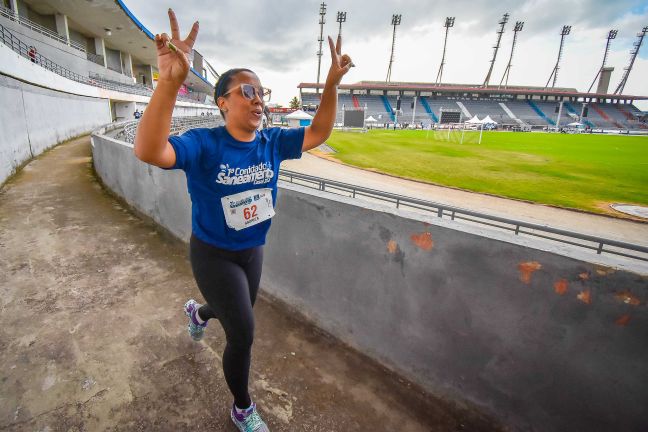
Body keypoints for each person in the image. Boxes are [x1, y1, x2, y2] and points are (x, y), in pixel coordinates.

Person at [133, 8, 352, 432]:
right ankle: (241, 406)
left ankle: (199, 314)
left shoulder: (271, 141)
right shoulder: (204, 144)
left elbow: (320, 132)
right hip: (213, 254)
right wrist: (170, 84)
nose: (258, 99)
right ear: (223, 102)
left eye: (261, 91)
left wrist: (330, 86)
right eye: (247, 90)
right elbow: (149, 151)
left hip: (253, 250)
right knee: (244, 333)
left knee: (234, 312)